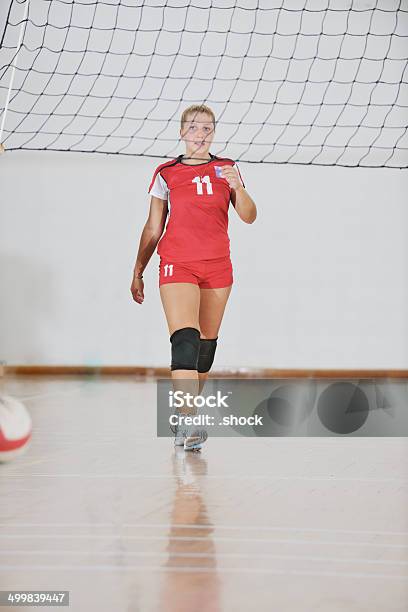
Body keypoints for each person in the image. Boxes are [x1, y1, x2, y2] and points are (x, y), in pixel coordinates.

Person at [131, 104, 257, 451]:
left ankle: (183, 413)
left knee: (205, 346)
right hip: (177, 263)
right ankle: (189, 422)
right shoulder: (166, 172)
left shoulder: (227, 168)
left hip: (218, 266)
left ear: (213, 133)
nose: (200, 134)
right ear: (182, 132)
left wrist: (239, 188)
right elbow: (153, 226)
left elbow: (249, 216)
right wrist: (138, 269)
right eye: (193, 128)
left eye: (207, 128)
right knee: (184, 339)